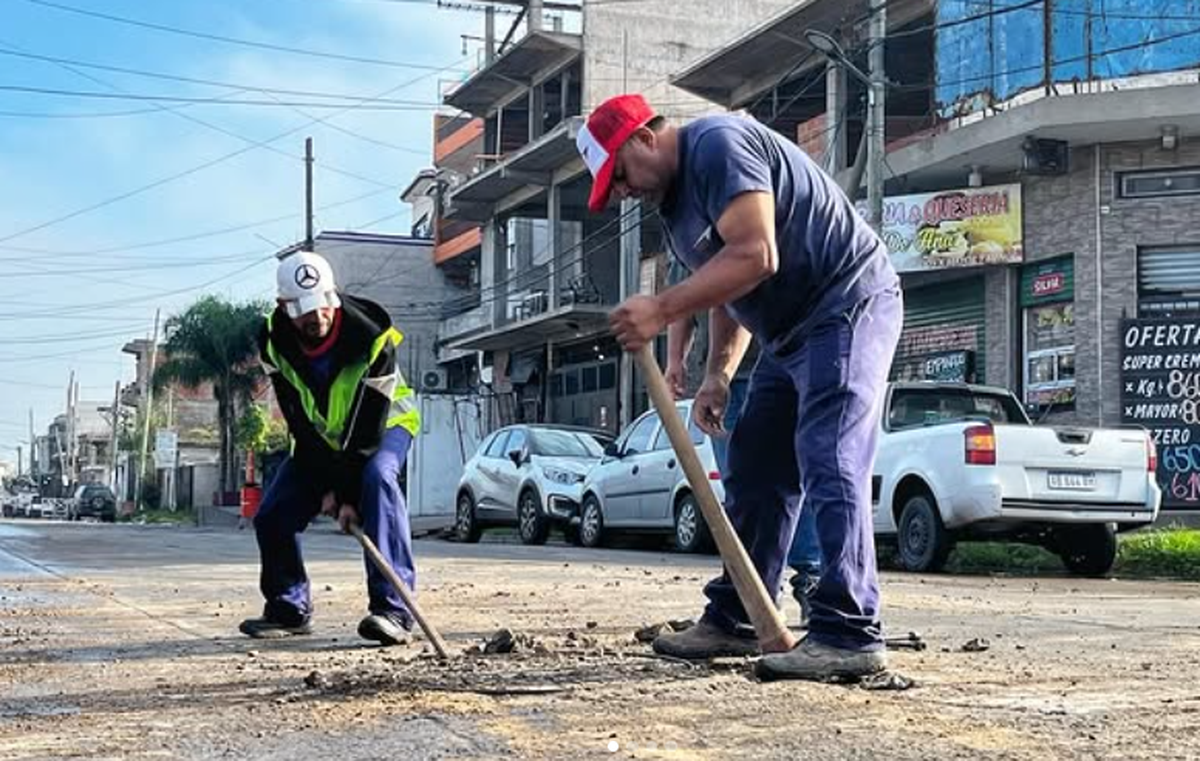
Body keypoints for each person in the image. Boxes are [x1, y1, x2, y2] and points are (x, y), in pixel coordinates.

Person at [577, 94, 902, 680]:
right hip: (784, 331)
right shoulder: (675, 209)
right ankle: (740, 615)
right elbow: (724, 286)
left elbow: (755, 254)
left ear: (644, 137)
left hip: (846, 303)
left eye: (619, 174)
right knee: (755, 463)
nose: (622, 191)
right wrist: (716, 375)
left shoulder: (718, 145)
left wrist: (660, 307)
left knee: (828, 454)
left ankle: (850, 632)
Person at [239, 251, 422, 646]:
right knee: (273, 515)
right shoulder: (275, 343)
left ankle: (393, 610)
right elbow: (297, 418)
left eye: (323, 304)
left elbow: (369, 425)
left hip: (386, 426)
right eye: (304, 310)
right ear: (283, 307)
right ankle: (288, 607)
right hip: (319, 442)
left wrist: (345, 494)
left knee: (377, 481)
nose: (317, 317)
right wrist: (324, 486)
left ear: (332, 295)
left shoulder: (372, 335)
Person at [665, 264, 822, 629]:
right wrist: (676, 362)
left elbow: (734, 295)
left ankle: (809, 581)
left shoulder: (732, 220)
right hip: (726, 382)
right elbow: (684, 308)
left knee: (790, 478)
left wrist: (718, 374)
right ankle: (755, 595)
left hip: (775, 360)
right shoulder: (682, 239)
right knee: (741, 486)